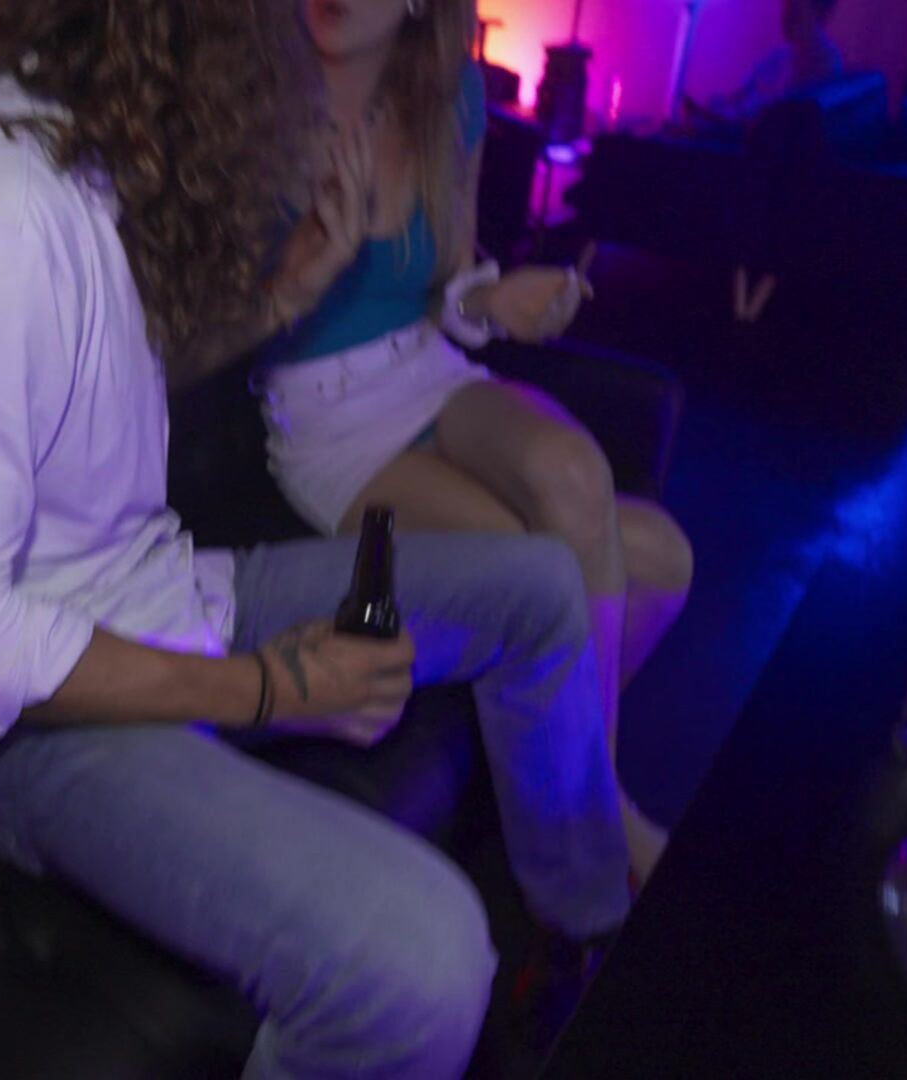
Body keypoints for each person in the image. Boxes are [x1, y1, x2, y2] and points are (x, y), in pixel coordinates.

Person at [0, 1, 632, 1075]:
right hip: (28, 727)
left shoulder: (61, 143)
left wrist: (293, 289)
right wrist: (268, 688)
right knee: (425, 963)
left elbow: (113, 375)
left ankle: (585, 931)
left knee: (540, 588)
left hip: (160, 596)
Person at [170, 0, 691, 882]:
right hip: (326, 421)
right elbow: (195, 326)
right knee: (559, 573)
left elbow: (447, 284)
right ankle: (588, 838)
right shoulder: (249, 93)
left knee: (648, 539)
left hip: (426, 367)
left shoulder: (451, 95)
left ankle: (573, 786)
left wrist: (493, 301)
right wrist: (294, 272)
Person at [684, 0, 843, 130]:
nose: (785, 17)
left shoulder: (825, 65)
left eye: (795, 10)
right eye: (786, 6)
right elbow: (740, 98)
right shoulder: (776, 59)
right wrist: (716, 109)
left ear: (819, 13)